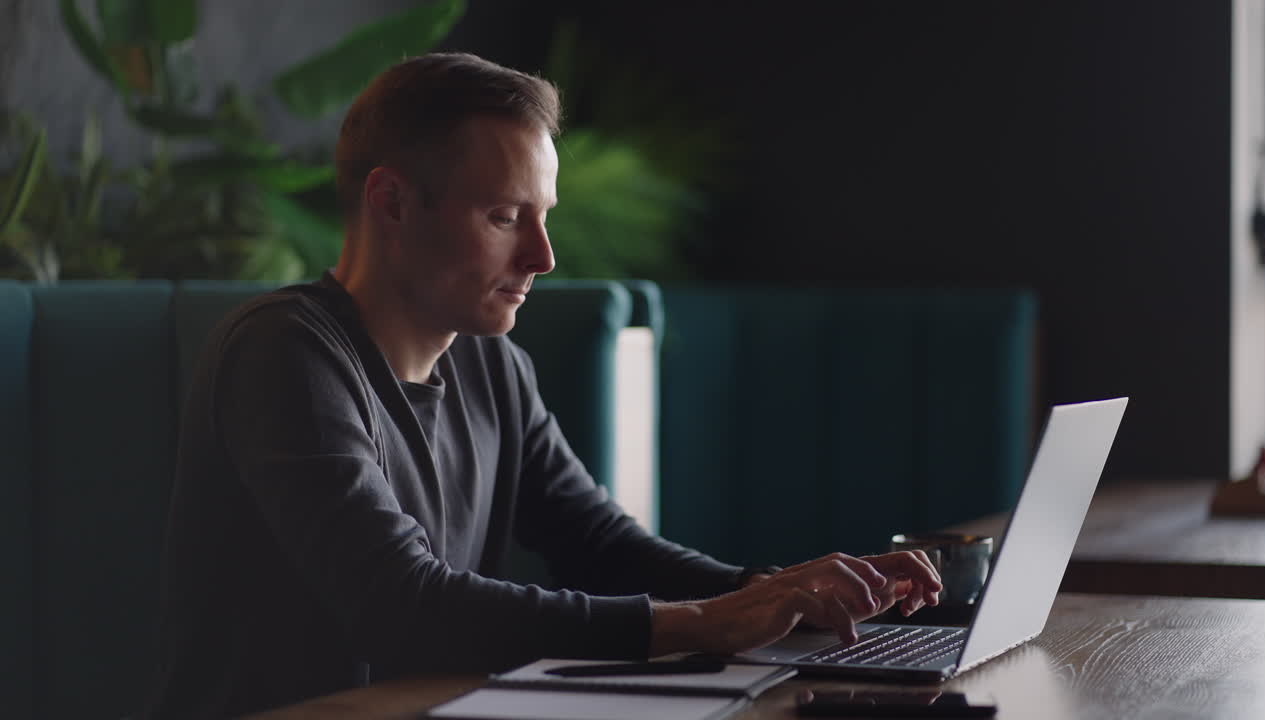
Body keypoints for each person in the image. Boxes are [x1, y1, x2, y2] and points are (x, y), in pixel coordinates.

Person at [145, 53, 942, 718]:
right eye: (504, 216)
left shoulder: (492, 364)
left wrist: (777, 592)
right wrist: (710, 622)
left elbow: (598, 546)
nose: (544, 257)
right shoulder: (283, 353)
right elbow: (404, 610)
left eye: (545, 215)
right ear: (391, 202)